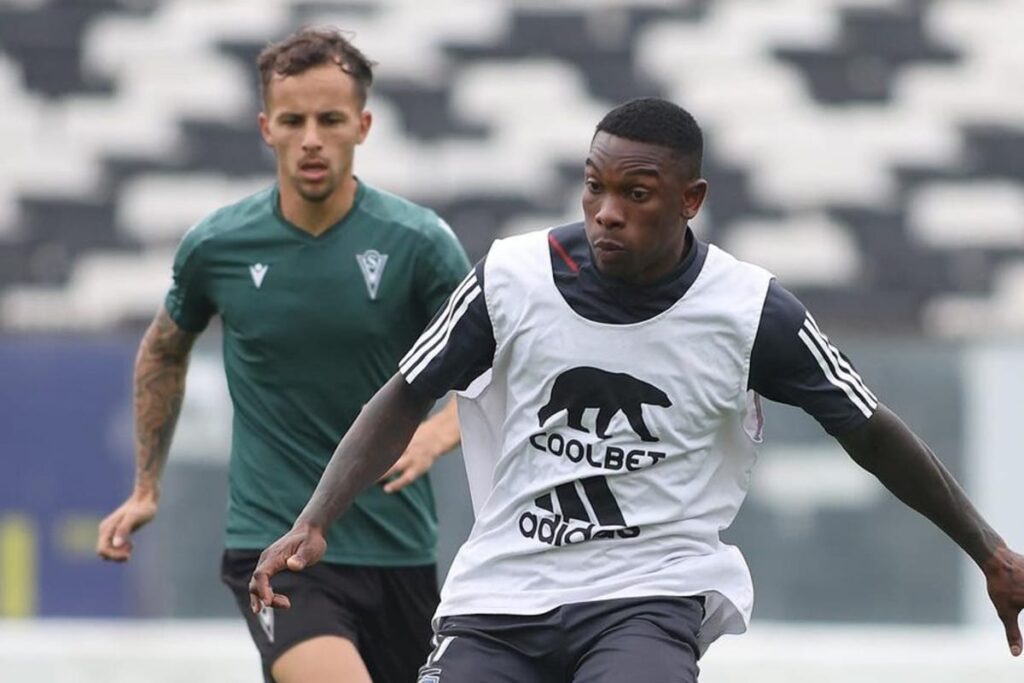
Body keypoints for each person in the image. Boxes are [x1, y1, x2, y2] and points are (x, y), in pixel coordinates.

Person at [247, 97, 1024, 682]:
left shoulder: (751, 309)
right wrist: (315, 521)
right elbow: (405, 394)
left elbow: (870, 428)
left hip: (647, 595)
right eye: (594, 188)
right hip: (502, 592)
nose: (606, 214)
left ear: (690, 199)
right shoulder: (511, 276)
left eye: (637, 194)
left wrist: (990, 553)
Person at [95, 27, 471, 683]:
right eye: (293, 120)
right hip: (272, 546)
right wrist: (147, 486)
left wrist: (439, 431)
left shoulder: (419, 243)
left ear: (363, 124)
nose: (312, 138)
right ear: (266, 128)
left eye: (330, 119)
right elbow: (162, 350)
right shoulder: (218, 245)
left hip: (398, 551)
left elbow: (497, 365)